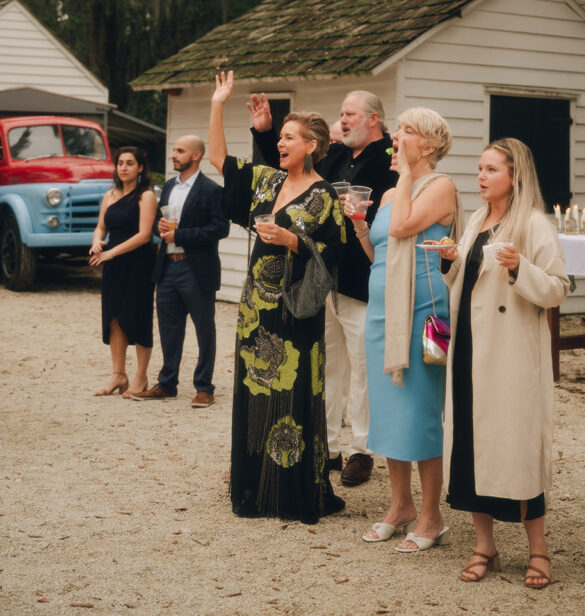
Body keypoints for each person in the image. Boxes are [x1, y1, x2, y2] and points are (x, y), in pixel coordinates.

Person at [209, 71, 347, 523]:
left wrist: (292, 241)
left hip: (294, 310)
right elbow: (219, 160)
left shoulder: (324, 196)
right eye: (281, 137)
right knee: (254, 393)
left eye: (290, 138)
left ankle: (292, 493)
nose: (282, 143)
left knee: (292, 391)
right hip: (256, 308)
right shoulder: (267, 181)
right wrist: (217, 103)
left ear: (311, 145)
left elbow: (335, 252)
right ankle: (255, 489)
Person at [248, 88, 397, 486]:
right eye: (342, 115)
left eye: (350, 114)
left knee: (364, 368)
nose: (343, 120)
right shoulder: (335, 156)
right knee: (328, 365)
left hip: (363, 280)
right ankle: (327, 446)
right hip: (321, 276)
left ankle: (363, 451)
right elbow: (289, 173)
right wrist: (265, 135)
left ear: (373, 119)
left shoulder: (389, 163)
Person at [438, 138, 568, 588]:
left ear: (515, 175)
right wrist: (450, 260)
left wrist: (519, 269)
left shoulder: (533, 223)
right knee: (473, 446)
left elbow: (557, 288)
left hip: (511, 353)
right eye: (479, 168)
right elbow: (467, 281)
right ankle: (484, 546)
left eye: (491, 169)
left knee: (518, 447)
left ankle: (539, 550)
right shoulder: (475, 218)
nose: (481, 176)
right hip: (471, 346)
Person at [351, 107, 459, 552]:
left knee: (420, 410)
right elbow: (382, 255)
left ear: (429, 145)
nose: (396, 136)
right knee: (390, 411)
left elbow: (399, 228)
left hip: (424, 311)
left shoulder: (439, 185)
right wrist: (359, 225)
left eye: (406, 131)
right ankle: (400, 506)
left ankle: (432, 516)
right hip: (383, 308)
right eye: (397, 129)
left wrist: (403, 177)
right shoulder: (395, 190)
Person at [131, 136, 229, 407]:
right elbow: (157, 227)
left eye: (180, 151)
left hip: (196, 269)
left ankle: (204, 387)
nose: (174, 155)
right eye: (174, 150)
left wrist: (180, 233)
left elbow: (220, 229)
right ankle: (167, 383)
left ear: (196, 155)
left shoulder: (212, 190)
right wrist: (160, 229)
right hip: (167, 267)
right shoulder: (170, 186)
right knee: (169, 329)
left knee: (204, 329)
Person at [89, 146, 156, 397]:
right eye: (120, 163)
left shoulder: (146, 195)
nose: (124, 168)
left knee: (138, 316)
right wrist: (97, 242)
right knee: (114, 316)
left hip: (138, 262)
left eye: (129, 163)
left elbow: (144, 235)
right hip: (113, 262)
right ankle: (118, 374)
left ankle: (141, 377)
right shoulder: (110, 195)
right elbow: (100, 227)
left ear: (140, 167)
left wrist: (112, 252)